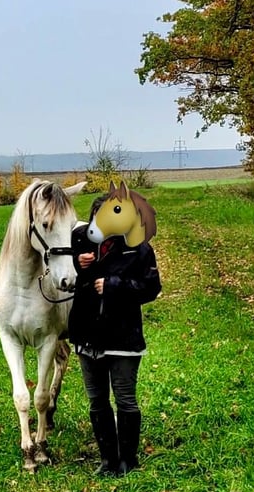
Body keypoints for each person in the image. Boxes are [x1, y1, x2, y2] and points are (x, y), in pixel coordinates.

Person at [69, 193, 162, 476]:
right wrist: (77, 263)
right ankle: (108, 459)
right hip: (87, 335)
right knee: (97, 400)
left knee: (125, 399)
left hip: (122, 337)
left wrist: (112, 285)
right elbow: (61, 274)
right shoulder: (82, 243)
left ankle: (128, 459)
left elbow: (151, 288)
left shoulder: (139, 249)